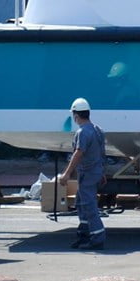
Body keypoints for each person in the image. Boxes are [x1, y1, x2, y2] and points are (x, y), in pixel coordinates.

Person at [58, 97, 106, 250]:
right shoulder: (98, 130)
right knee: (81, 203)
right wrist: (102, 172)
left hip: (88, 174)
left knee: (88, 205)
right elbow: (101, 153)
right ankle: (84, 233)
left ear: (76, 115)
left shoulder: (82, 132)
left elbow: (78, 153)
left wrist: (66, 174)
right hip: (95, 172)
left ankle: (98, 238)